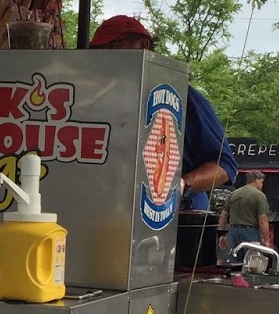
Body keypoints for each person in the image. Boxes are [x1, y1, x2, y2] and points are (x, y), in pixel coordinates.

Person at [87, 15, 237, 207]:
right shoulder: (98, 99)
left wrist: (182, 184)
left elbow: (224, 166)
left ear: (142, 45)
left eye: (112, 47)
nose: (106, 58)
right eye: (99, 52)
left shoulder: (181, 96)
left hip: (178, 217)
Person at [219, 171, 272, 253]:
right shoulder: (259, 195)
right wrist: (266, 240)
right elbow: (262, 219)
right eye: (262, 182)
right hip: (251, 232)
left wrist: (222, 234)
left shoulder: (234, 193)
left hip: (233, 232)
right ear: (256, 180)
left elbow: (223, 215)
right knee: (252, 262)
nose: (262, 185)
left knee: (233, 261)